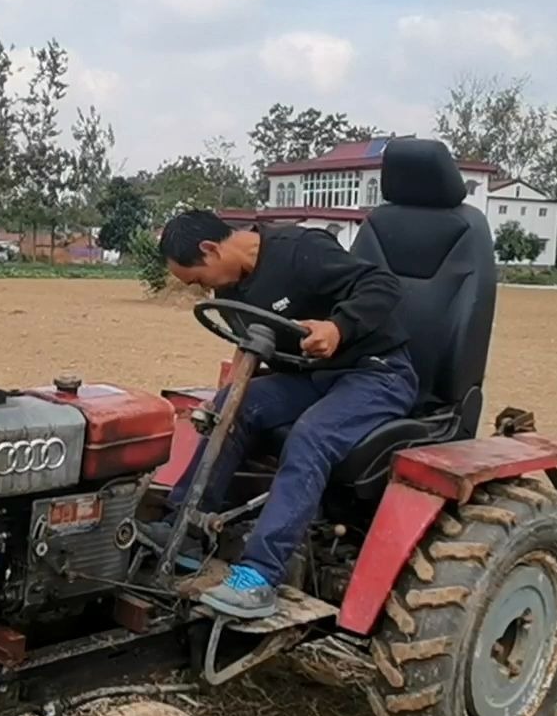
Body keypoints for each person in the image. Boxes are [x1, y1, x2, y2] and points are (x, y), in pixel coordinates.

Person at [147, 209, 418, 619]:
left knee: (311, 436)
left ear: (210, 248)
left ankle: (259, 574)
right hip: (313, 378)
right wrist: (226, 400)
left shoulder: (300, 250)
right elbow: (248, 343)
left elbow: (382, 285)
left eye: (199, 279)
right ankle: (183, 531)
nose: (203, 291)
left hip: (376, 373)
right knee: (231, 410)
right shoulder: (233, 285)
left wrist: (338, 328)